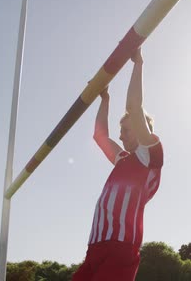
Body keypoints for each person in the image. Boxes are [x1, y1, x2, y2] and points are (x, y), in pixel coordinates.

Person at [71, 48, 164, 281]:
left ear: (141, 129)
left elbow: (134, 108)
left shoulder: (149, 157)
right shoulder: (123, 159)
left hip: (120, 249)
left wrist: (137, 63)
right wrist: (105, 99)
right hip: (94, 249)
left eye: (125, 131)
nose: (120, 137)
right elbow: (100, 136)